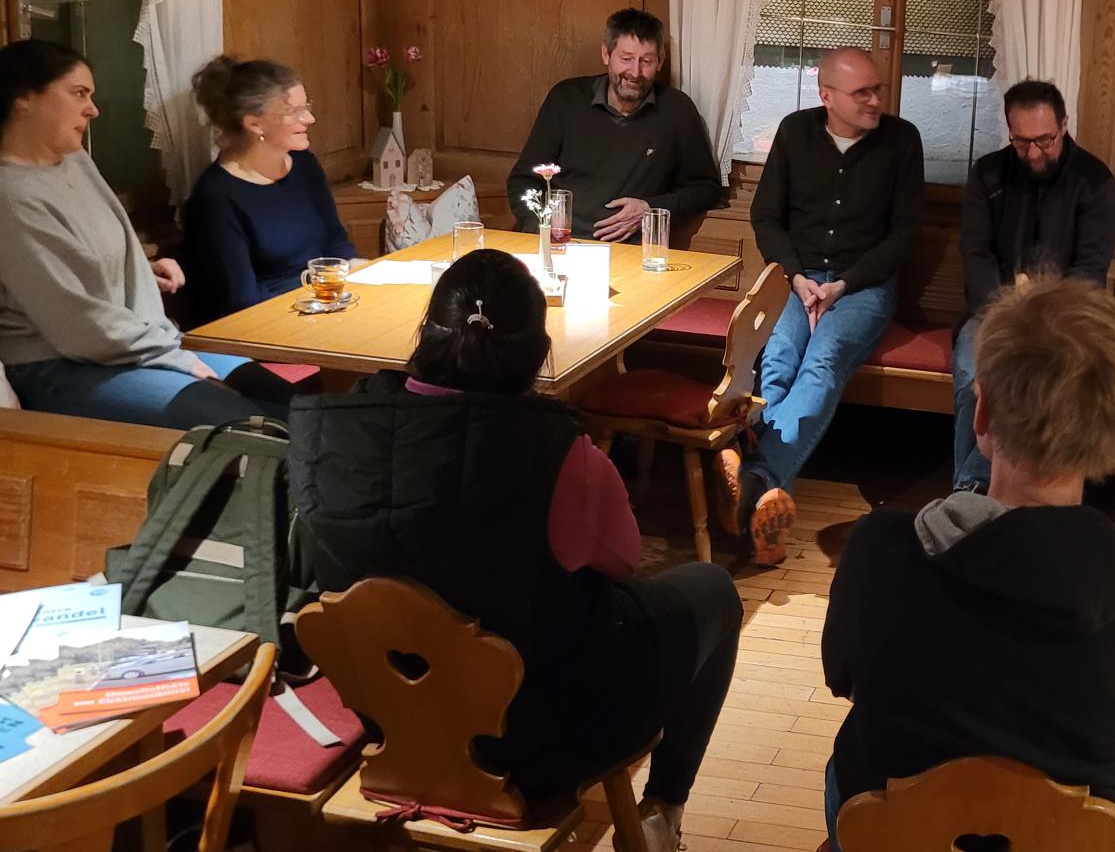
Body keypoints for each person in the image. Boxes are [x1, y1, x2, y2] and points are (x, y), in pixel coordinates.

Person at [288, 250, 739, 852]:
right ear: (537, 349)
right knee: (712, 590)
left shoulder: (325, 432)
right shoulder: (559, 451)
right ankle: (663, 811)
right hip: (537, 737)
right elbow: (622, 559)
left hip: (393, 719)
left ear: (426, 333)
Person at [821, 277, 1115, 852]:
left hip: (894, 834)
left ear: (983, 411)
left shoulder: (878, 547)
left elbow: (841, 678)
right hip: (1071, 840)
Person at [0, 40, 291, 429]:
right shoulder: (11, 195)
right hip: (60, 365)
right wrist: (177, 358)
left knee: (290, 402)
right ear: (24, 98)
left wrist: (138, 269)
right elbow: (77, 326)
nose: (92, 109)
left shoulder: (74, 160)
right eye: (79, 94)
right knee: (246, 426)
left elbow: (78, 259)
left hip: (131, 342)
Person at [736, 47, 923, 563]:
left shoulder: (901, 140)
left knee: (824, 358)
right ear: (827, 96)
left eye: (877, 89)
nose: (875, 100)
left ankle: (755, 480)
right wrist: (797, 278)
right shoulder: (796, 132)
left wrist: (842, 285)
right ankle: (765, 509)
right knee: (778, 360)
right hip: (794, 278)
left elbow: (903, 234)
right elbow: (766, 216)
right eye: (862, 93)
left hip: (863, 285)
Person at [952, 79, 1115, 493]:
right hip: (992, 311)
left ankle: (973, 490)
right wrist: (1005, 312)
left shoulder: (1094, 181)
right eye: (1021, 141)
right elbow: (975, 255)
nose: (1033, 153)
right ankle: (970, 490)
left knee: (1047, 380)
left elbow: (1089, 272)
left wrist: (1041, 315)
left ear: (1064, 125)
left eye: (1044, 140)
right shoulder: (989, 174)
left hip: (1063, 320)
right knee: (974, 377)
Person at [506, 8, 719, 242]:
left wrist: (650, 208)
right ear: (606, 54)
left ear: (660, 61)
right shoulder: (566, 99)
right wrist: (541, 227)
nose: (635, 72)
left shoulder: (677, 110)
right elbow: (524, 179)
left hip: (630, 251)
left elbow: (705, 189)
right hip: (556, 243)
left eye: (646, 61)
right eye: (626, 59)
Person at [180, 56, 360, 325]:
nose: (309, 118)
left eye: (306, 107)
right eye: (294, 111)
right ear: (255, 124)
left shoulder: (304, 164)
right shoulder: (215, 198)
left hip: (321, 306)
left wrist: (356, 272)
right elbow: (241, 301)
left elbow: (336, 241)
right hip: (265, 324)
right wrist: (318, 298)